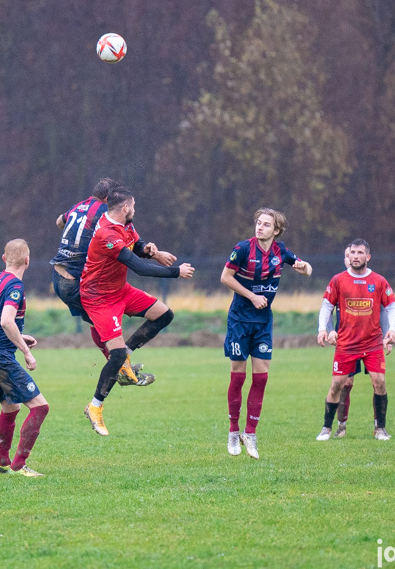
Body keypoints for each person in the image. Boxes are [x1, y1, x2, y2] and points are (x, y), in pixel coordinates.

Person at [80, 187, 195, 436]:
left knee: (164, 314)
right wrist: (177, 271)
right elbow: (139, 268)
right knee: (116, 354)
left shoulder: (123, 223)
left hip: (119, 290)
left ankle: (126, 358)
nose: (135, 210)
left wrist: (151, 250)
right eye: (134, 206)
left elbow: (137, 246)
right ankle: (95, 406)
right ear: (125, 208)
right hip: (99, 298)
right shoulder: (106, 234)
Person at [50, 177, 173, 386]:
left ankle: (119, 363)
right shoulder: (104, 213)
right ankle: (121, 368)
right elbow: (124, 244)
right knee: (104, 318)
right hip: (75, 281)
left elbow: (59, 222)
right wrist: (155, 255)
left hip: (60, 276)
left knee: (101, 323)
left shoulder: (80, 206)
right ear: (108, 199)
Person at [221, 208, 312, 459]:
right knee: (238, 376)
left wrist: (305, 268)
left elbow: (303, 267)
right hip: (239, 320)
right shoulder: (241, 248)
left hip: (262, 324)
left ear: (276, 230)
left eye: (266, 224)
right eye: (258, 223)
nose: (260, 227)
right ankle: (233, 431)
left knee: (261, 378)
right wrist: (251, 296)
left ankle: (250, 434)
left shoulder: (280, 250)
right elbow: (225, 277)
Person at [316, 239, 395, 441]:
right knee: (337, 385)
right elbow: (327, 305)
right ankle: (327, 428)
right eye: (352, 252)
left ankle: (380, 429)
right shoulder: (338, 280)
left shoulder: (379, 281)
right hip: (346, 344)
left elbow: (391, 307)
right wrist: (322, 329)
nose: (355, 256)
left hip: (372, 343)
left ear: (367, 257)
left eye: (360, 253)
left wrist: (392, 331)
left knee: (379, 382)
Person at [0, 239, 49, 477]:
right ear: (27, 261)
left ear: (3, 258)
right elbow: (6, 320)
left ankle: (1, 462)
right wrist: (25, 351)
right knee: (40, 407)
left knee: (11, 408)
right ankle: (20, 464)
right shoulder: (16, 286)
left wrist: (17, 337)